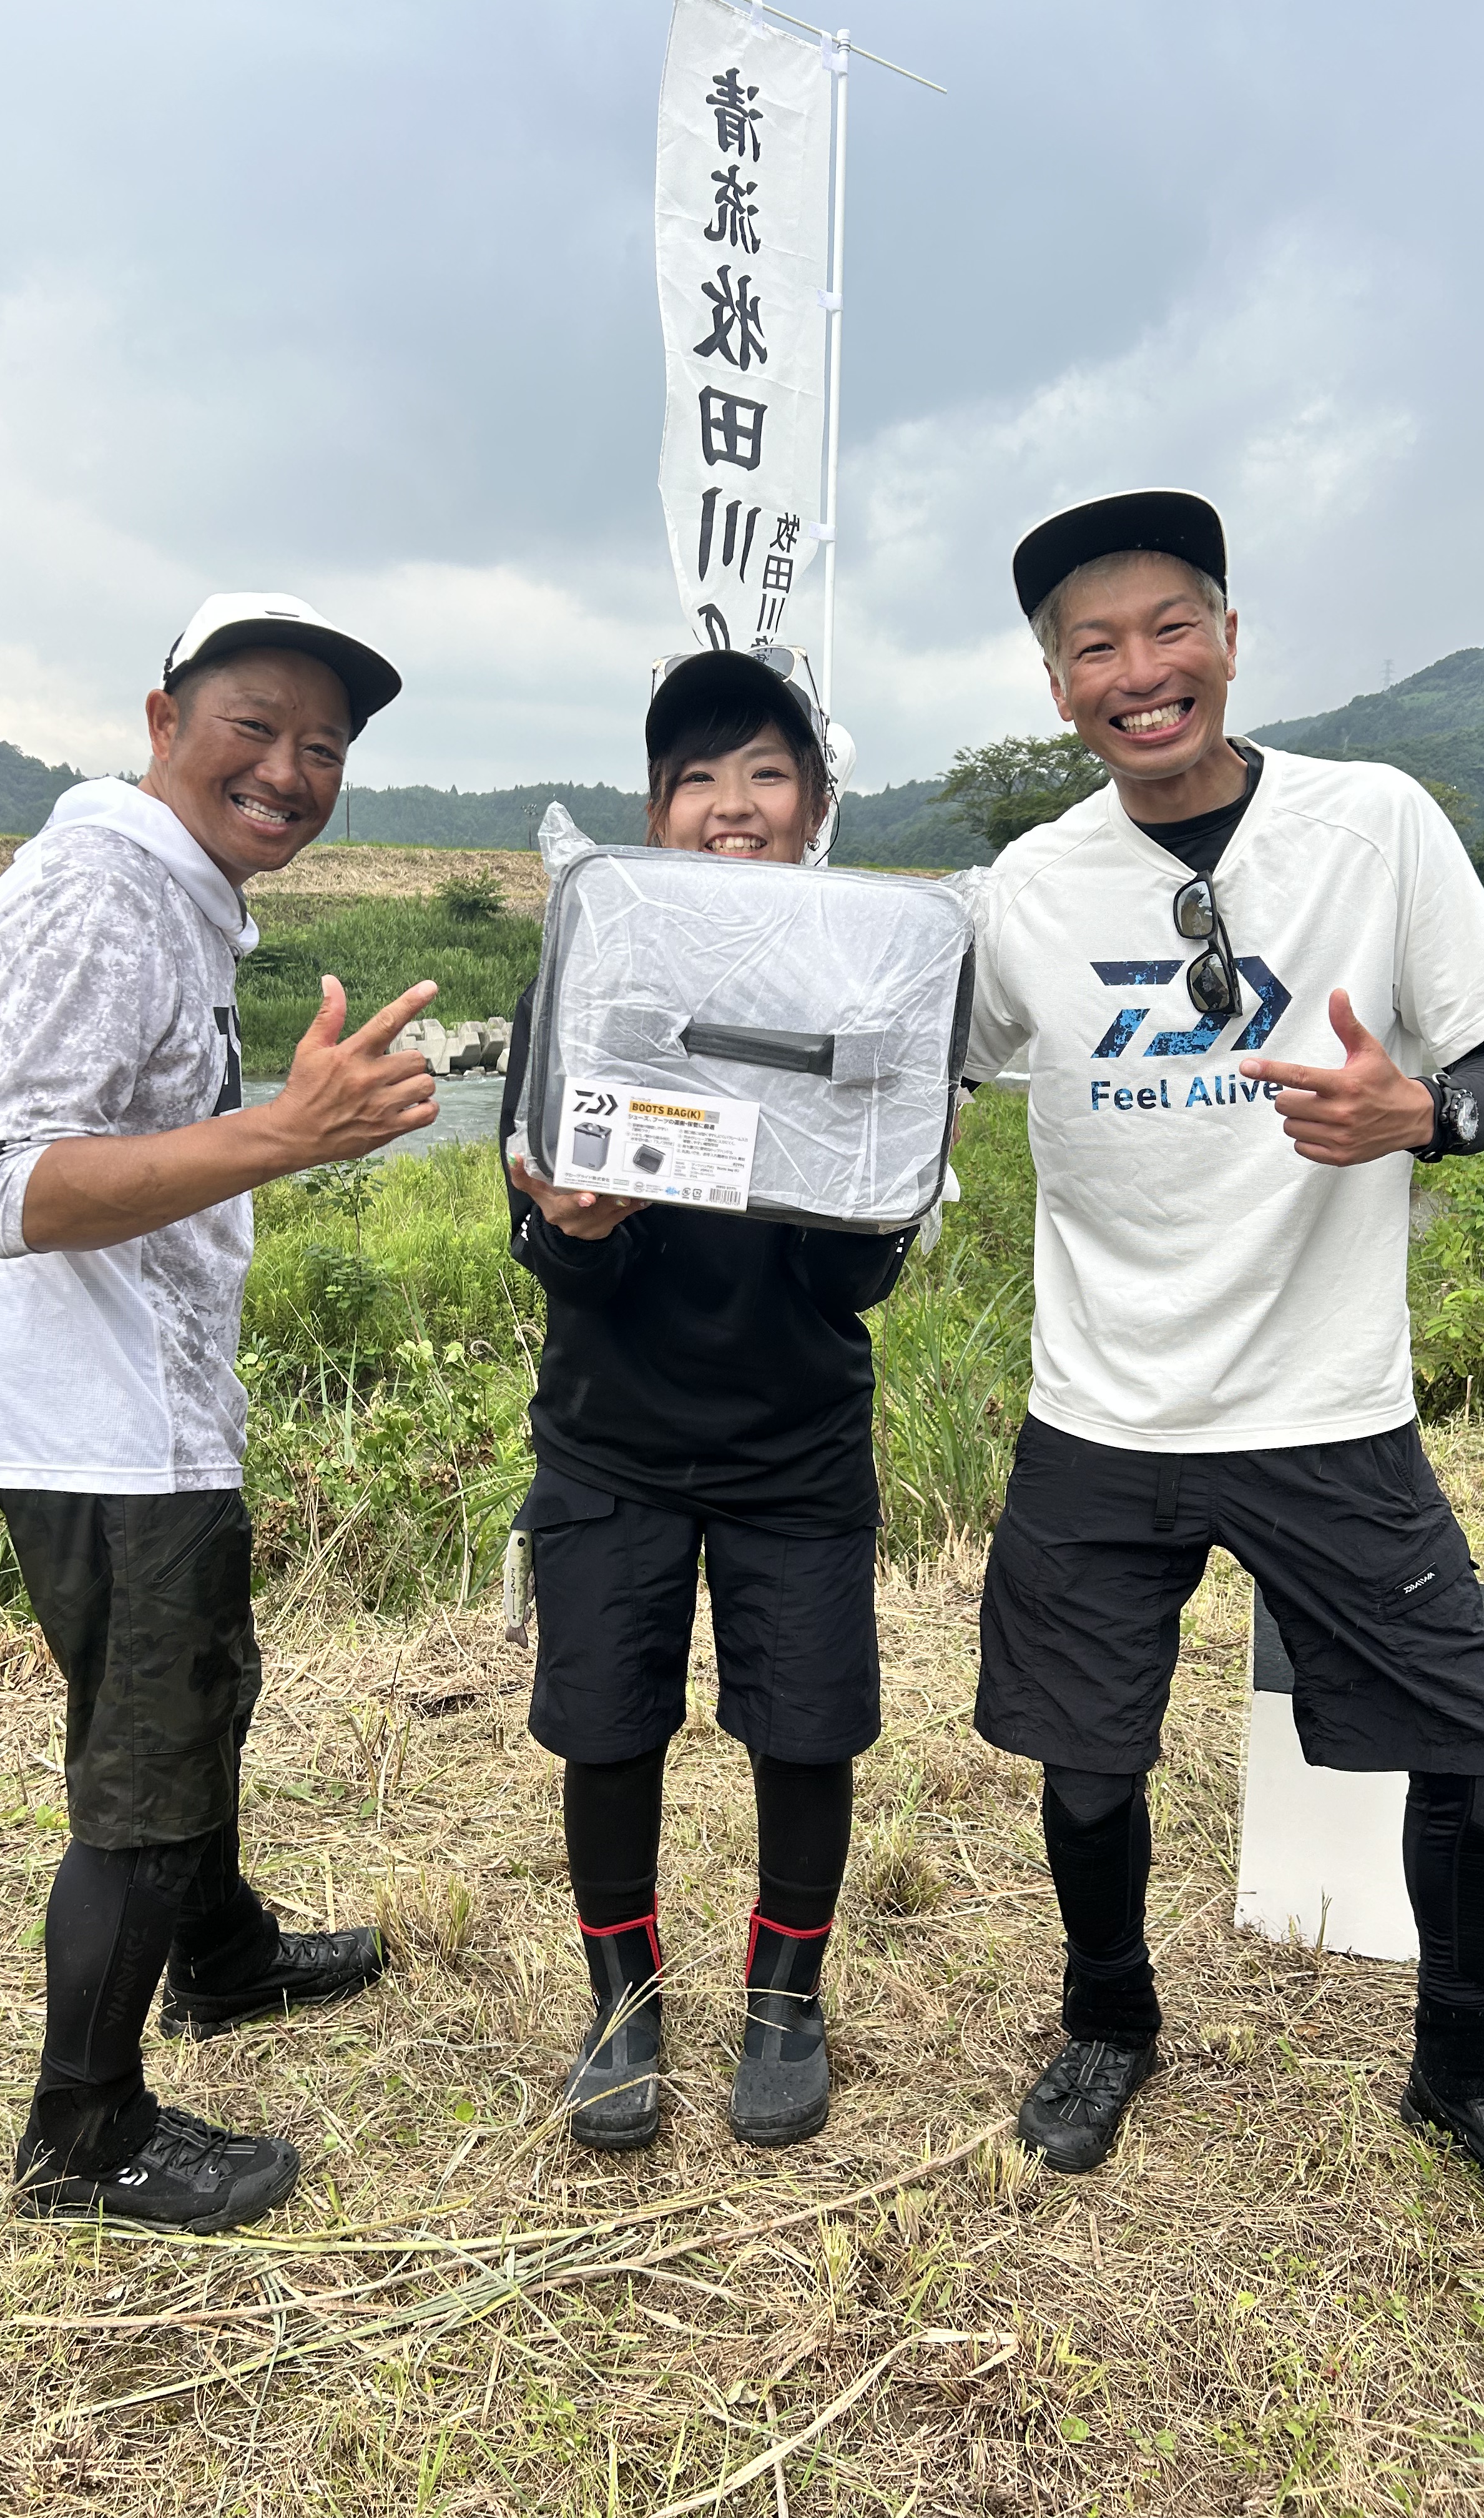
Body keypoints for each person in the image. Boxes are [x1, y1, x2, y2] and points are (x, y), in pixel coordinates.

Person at [964, 491, 1484, 2253]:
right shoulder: (1029, 888)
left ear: (1231, 641)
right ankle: (1111, 2020)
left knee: (1476, 1750)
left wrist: (1427, 1114)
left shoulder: (1373, 822)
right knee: (1086, 1755)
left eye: (1169, 627)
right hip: (1103, 1405)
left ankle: (1468, 2067)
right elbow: (912, 1068)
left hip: (1326, 1402)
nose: (1139, 671)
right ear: (1057, 687)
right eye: (1094, 648)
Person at [0, 593, 441, 2234]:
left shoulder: (174, 897)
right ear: (162, 724)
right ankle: (85, 2130)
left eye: (323, 748)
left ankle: (222, 1955)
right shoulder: (99, 900)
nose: (288, 772)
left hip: (131, 1402)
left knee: (200, 1691)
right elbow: (11, 1187)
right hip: (92, 1417)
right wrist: (286, 1133)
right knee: (148, 1763)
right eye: (253, 729)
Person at [497, 648, 911, 2151]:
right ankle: (623, 2003)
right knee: (606, 1730)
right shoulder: (586, 971)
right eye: (697, 778)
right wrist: (573, 1227)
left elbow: (857, 1279)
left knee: (809, 1732)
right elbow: (550, 1240)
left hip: (797, 1445)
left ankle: (784, 2002)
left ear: (814, 806)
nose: (732, 804)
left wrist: (863, 1205)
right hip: (610, 1441)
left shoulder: (867, 988)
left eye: (766, 773)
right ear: (654, 811)